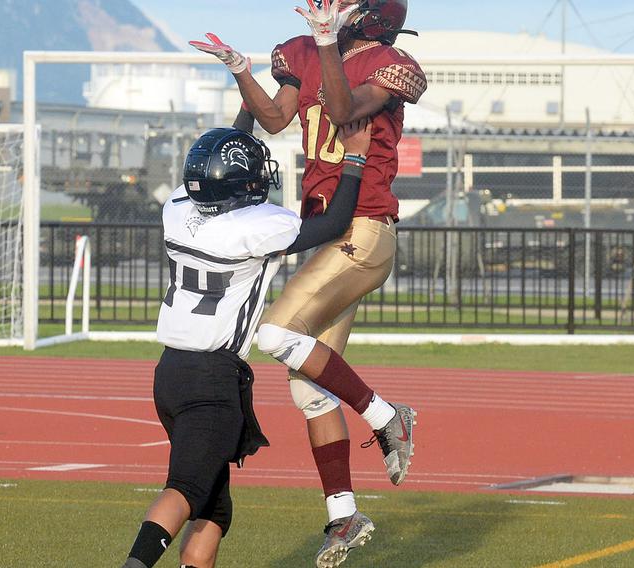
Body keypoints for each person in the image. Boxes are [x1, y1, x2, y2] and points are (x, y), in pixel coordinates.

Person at [190, 1, 426, 565]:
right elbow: (273, 120)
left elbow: (345, 113)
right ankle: (344, 515)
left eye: (340, 3)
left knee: (272, 332)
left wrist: (325, 43)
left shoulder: (391, 62)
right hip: (331, 235)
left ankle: (388, 416)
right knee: (306, 386)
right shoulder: (300, 53)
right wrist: (240, 69)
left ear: (369, 13)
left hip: (365, 230)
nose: (326, 7)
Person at [122, 121, 404, 568]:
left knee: (214, 511)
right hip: (211, 380)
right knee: (186, 490)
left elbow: (216, 164)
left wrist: (240, 94)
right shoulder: (257, 226)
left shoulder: (177, 208)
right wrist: (353, 158)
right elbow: (334, 222)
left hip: (169, 376)